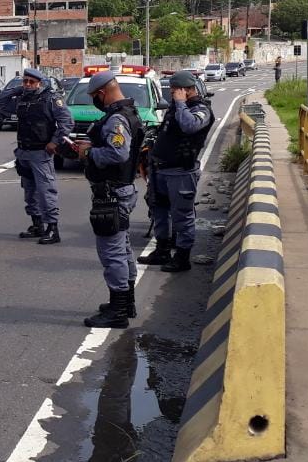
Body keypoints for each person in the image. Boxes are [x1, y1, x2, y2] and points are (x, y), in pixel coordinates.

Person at [73, 70, 145, 328]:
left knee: (112, 253)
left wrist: (88, 153)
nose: (94, 100)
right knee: (122, 249)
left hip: (112, 193)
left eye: (94, 96)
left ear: (102, 93)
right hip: (121, 189)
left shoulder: (117, 119)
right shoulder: (129, 112)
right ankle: (126, 302)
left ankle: (118, 310)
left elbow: (117, 154)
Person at [138, 70, 216, 273]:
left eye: (174, 91)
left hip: (181, 172)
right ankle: (162, 250)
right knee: (159, 211)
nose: (171, 95)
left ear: (186, 90)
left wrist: (181, 103)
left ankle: (182, 257)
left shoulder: (201, 110)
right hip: (161, 170)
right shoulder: (174, 109)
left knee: (182, 215)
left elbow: (189, 126)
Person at [0, 67, 73, 245]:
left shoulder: (50, 99)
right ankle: (37, 225)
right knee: (29, 192)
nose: (28, 84)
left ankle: (52, 228)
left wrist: (55, 142)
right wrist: (17, 89)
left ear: (40, 83)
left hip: (41, 153)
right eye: (25, 81)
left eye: (31, 82)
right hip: (24, 152)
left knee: (46, 191)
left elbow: (67, 122)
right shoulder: (21, 98)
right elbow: (1, 102)